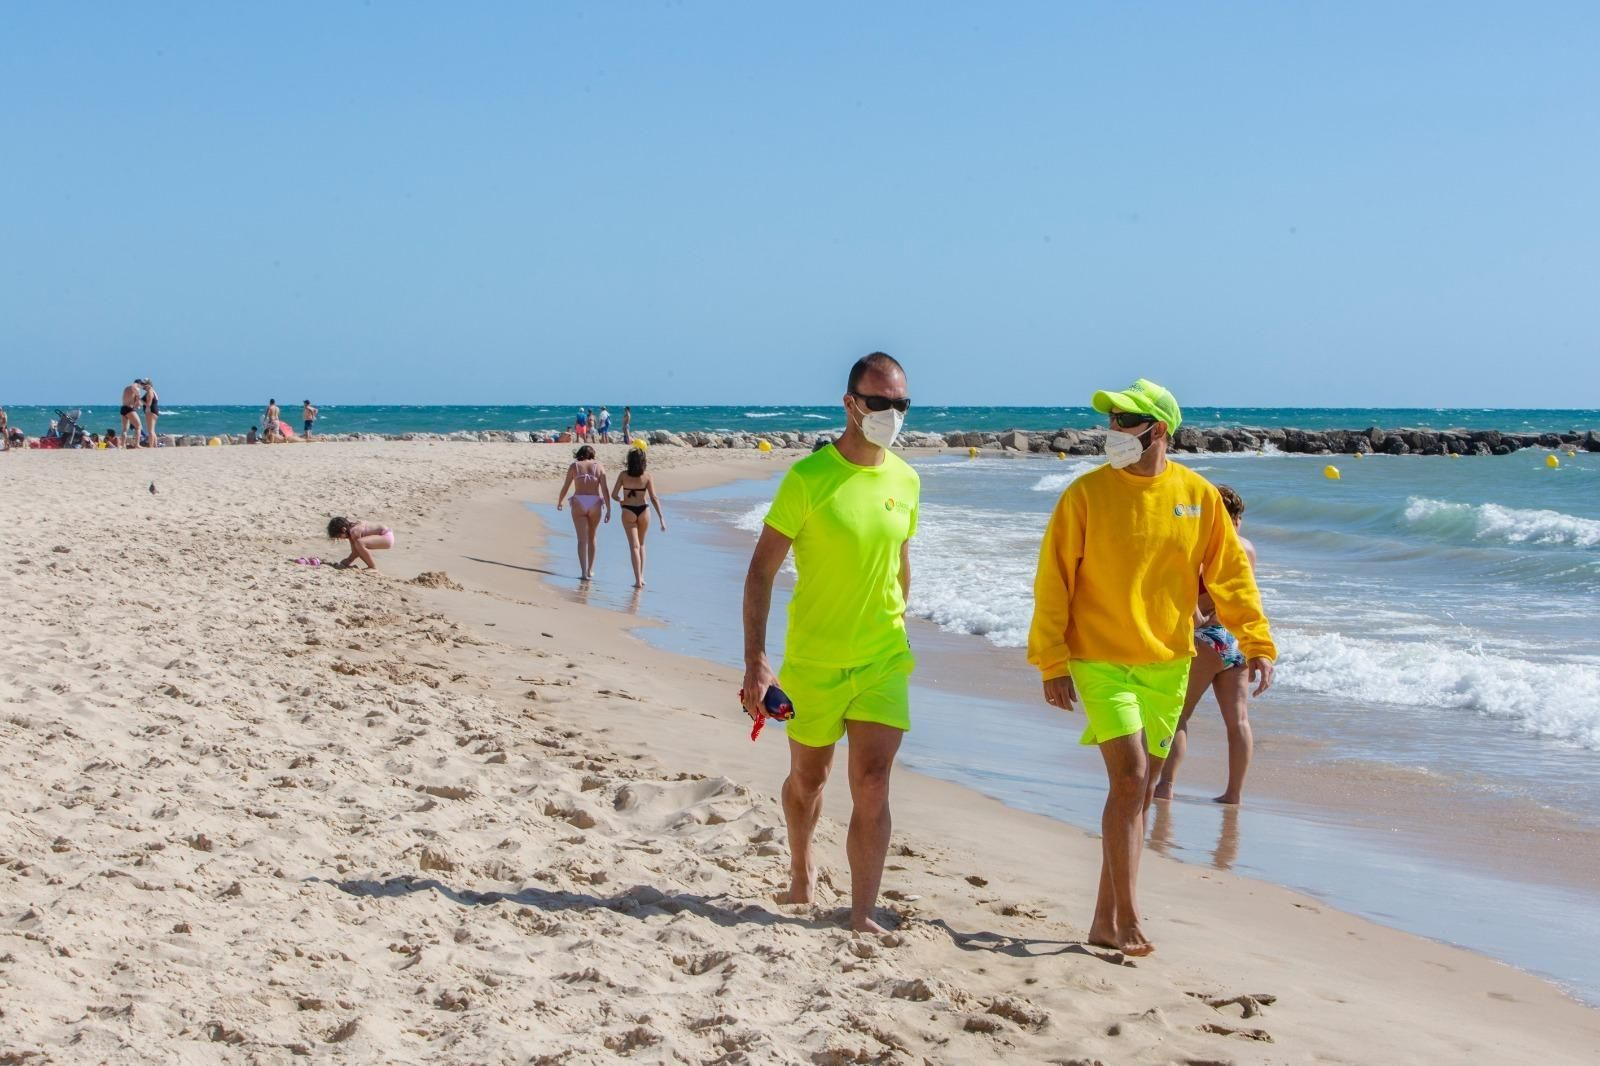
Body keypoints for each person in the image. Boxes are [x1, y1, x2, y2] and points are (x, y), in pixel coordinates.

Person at [1028, 378, 1275, 957]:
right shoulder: (1084, 495)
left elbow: (1230, 576)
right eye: (1110, 419)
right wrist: (1052, 659)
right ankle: (1132, 917)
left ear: (1157, 429)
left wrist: (1258, 641)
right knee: (1133, 777)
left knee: (1136, 798)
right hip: (1099, 658)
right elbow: (1053, 581)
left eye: (1123, 420)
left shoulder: (1199, 496)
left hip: (1169, 660)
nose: (1111, 430)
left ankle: (1101, 921)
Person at [742, 351, 918, 934]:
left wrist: (897, 618)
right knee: (808, 780)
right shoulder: (808, 479)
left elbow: (900, 561)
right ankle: (801, 867)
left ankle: (862, 911)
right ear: (850, 405)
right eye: (880, 403)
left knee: (872, 781)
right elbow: (761, 571)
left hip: (883, 658)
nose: (892, 414)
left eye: (901, 404)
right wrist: (756, 663)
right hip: (815, 660)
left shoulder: (906, 479)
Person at [1153, 485, 1259, 805]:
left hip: (1206, 638)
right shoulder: (1247, 548)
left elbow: (1187, 593)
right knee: (1238, 720)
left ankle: (1166, 786)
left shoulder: (1203, 546)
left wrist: (1198, 620)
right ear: (1236, 518)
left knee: (1179, 714)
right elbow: (1242, 596)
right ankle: (1234, 793)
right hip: (1234, 639)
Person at [610, 446, 666, 587]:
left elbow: (614, 494)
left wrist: (621, 501)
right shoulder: (647, 476)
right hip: (644, 511)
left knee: (633, 546)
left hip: (628, 510)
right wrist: (661, 517)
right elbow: (654, 498)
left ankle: (637, 581)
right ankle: (641, 577)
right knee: (641, 544)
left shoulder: (623, 475)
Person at [555, 444, 610, 580]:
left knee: (581, 540)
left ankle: (583, 572)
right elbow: (605, 490)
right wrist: (609, 509)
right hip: (595, 502)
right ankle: (591, 570)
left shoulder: (575, 466)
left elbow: (566, 485)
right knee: (592, 537)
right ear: (593, 455)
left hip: (579, 501)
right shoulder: (599, 466)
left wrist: (560, 501)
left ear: (579, 454)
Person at [327, 516, 394, 570]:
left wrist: (347, 561)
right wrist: (347, 561)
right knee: (360, 547)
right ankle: (370, 566)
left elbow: (356, 553)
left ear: (343, 529)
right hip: (385, 535)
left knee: (360, 544)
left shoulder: (354, 531)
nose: (340, 538)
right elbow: (355, 551)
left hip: (386, 536)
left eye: (339, 536)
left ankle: (372, 567)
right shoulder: (351, 533)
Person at [119, 380, 143, 450]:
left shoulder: (126, 388)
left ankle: (123, 445)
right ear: (139, 384)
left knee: (124, 429)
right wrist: (139, 405)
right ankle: (137, 444)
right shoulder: (136, 388)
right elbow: (138, 402)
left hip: (123, 408)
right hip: (129, 408)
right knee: (139, 426)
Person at [139, 379, 161, 446]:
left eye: (144, 385)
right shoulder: (152, 391)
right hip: (153, 411)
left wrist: (141, 400)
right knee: (152, 430)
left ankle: (151, 445)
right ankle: (155, 445)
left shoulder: (150, 392)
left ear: (148, 385)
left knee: (150, 430)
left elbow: (149, 404)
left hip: (151, 411)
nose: (143, 387)